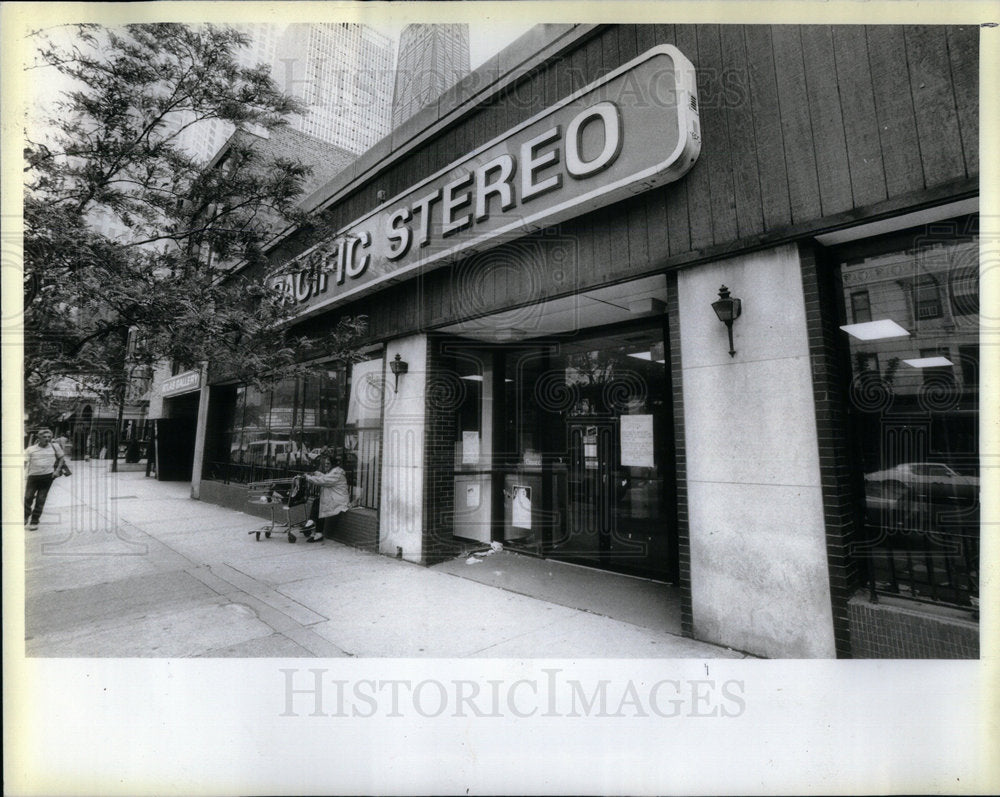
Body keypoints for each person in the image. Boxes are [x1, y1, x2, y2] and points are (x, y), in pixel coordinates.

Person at [302, 453, 351, 543]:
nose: (326, 465)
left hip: (339, 501)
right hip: (334, 498)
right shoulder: (334, 472)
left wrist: (308, 478)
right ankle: (315, 528)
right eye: (325, 464)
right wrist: (317, 473)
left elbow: (324, 481)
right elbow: (325, 477)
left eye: (328, 464)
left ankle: (312, 524)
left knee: (320, 503)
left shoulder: (337, 473)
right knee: (319, 503)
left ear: (333, 464)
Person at [24, 428, 66, 530]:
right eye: (44, 437)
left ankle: (34, 521)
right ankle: (25, 517)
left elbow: (61, 459)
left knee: (40, 500)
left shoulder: (55, 447)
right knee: (28, 497)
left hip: (47, 477)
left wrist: (57, 471)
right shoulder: (31, 449)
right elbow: (24, 463)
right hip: (33, 477)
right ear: (39, 437)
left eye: (49, 437)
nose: (47, 439)